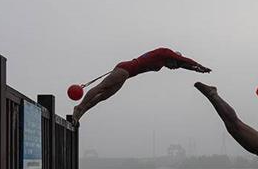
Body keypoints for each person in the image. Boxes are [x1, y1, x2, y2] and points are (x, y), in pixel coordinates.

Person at [72, 48, 211, 123]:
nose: (173, 68)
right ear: (172, 58)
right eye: (174, 65)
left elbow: (183, 64)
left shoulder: (163, 61)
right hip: (124, 69)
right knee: (102, 88)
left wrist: (197, 70)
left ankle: (80, 113)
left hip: (126, 74)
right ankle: (78, 108)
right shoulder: (165, 52)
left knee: (104, 96)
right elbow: (183, 60)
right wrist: (200, 65)